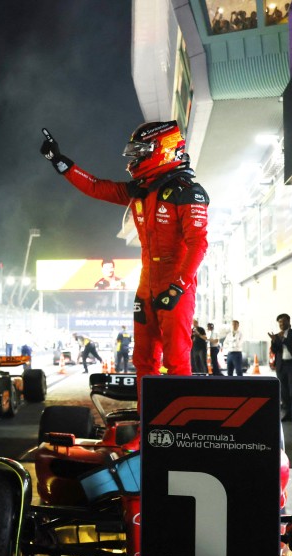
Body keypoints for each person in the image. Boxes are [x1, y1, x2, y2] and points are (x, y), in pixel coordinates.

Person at [42, 121, 208, 389]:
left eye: (141, 152)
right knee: (143, 361)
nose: (135, 158)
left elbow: (198, 244)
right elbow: (96, 187)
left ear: (161, 149)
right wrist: (62, 163)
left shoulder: (189, 193)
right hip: (146, 286)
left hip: (175, 284)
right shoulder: (141, 191)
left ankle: (176, 428)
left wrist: (178, 285)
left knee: (176, 361)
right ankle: (147, 425)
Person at [269, 313, 292, 422]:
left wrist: (282, 338)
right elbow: (275, 350)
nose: (281, 324)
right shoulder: (277, 335)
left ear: (289, 322)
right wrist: (274, 341)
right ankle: (287, 413)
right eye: (279, 322)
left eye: (283, 321)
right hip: (281, 365)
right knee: (283, 391)